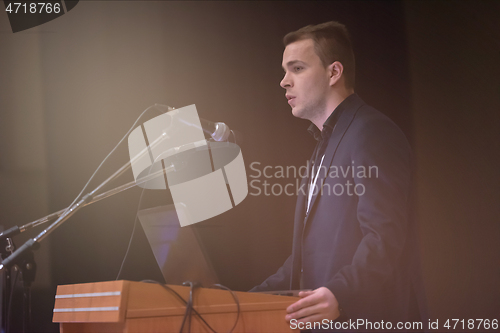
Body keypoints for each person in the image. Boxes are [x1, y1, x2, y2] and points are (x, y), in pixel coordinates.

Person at [250, 21, 427, 331]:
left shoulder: (372, 131)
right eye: (284, 70)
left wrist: (340, 293)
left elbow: (384, 236)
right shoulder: (324, 146)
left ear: (334, 72)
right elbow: (304, 260)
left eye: (297, 68)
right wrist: (240, 300)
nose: (284, 82)